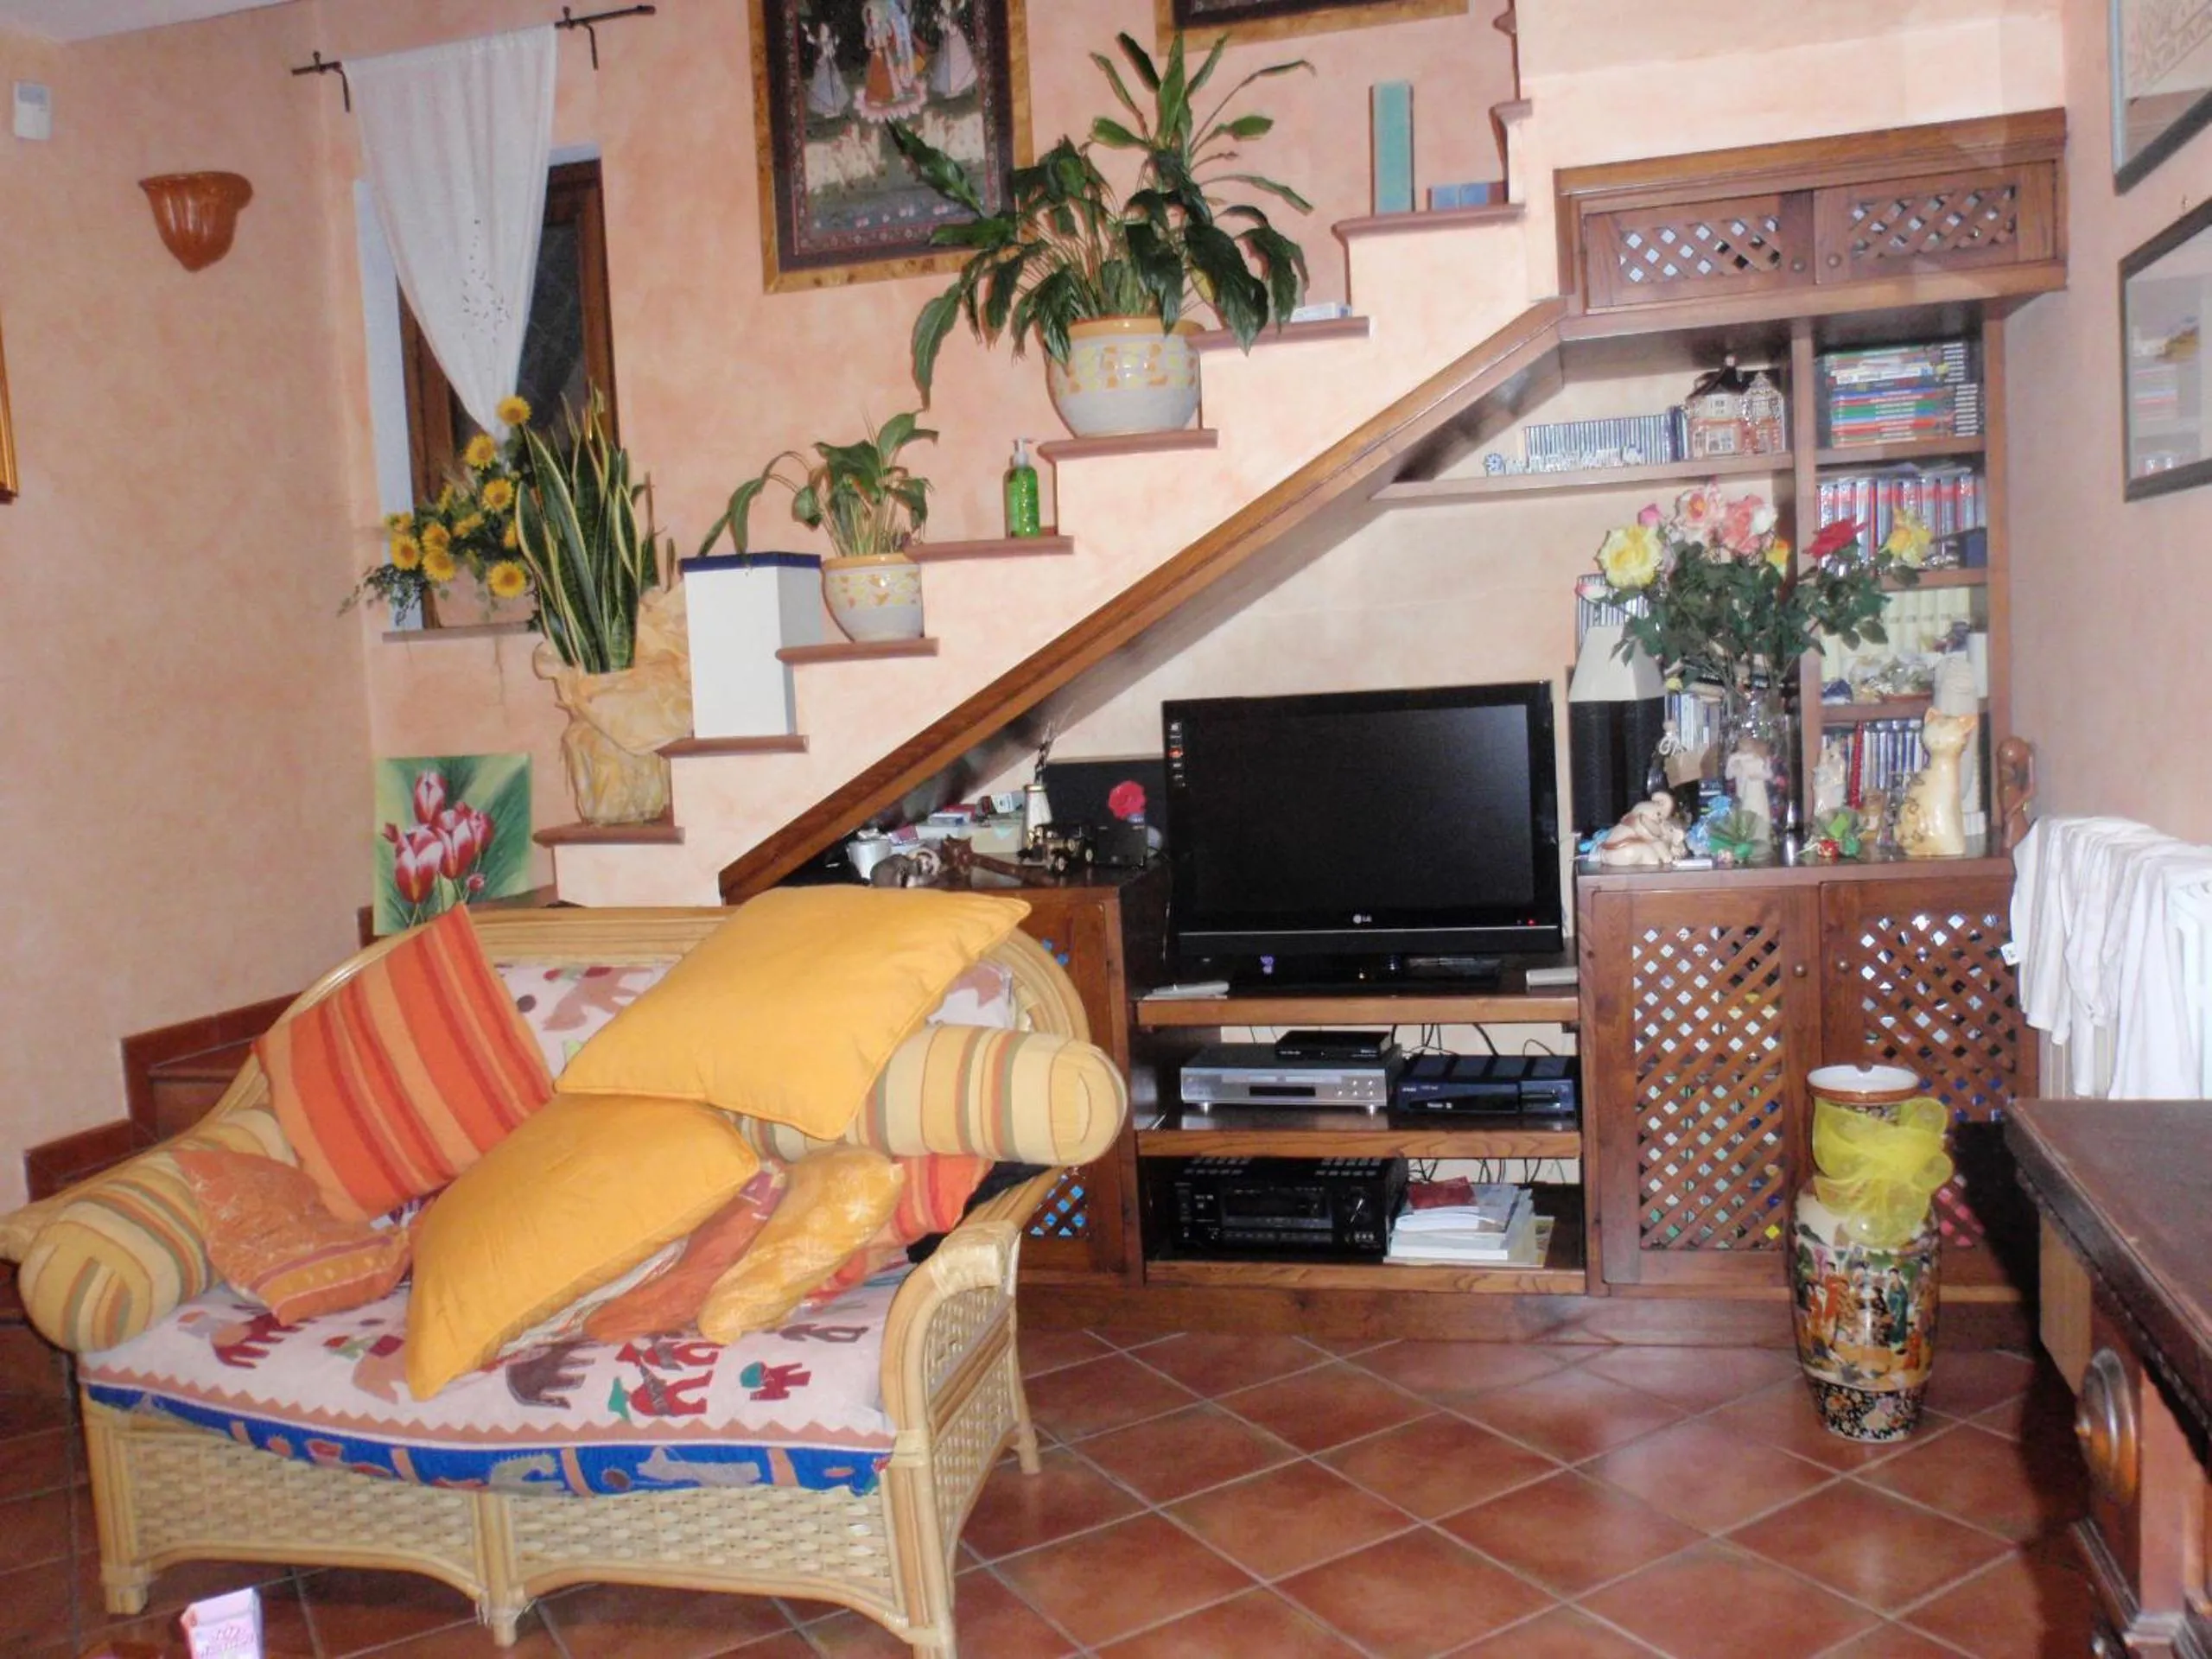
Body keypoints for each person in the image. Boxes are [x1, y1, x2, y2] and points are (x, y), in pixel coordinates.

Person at [926, 0, 977, 98]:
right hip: (950, 37)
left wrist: (945, 22)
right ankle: (951, 86)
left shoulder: (957, 8)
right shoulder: (945, 6)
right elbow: (942, 19)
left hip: (954, 36)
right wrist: (940, 20)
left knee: (956, 61)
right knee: (949, 61)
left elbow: (952, 21)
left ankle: (954, 86)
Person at [806, 22, 849, 120]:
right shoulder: (818, 43)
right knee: (824, 90)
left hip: (831, 68)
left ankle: (836, 108)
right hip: (822, 70)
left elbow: (832, 53)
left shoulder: (829, 42)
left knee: (835, 87)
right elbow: (817, 57)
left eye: (826, 30)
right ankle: (827, 109)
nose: (824, 32)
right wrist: (824, 54)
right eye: (822, 30)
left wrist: (832, 49)